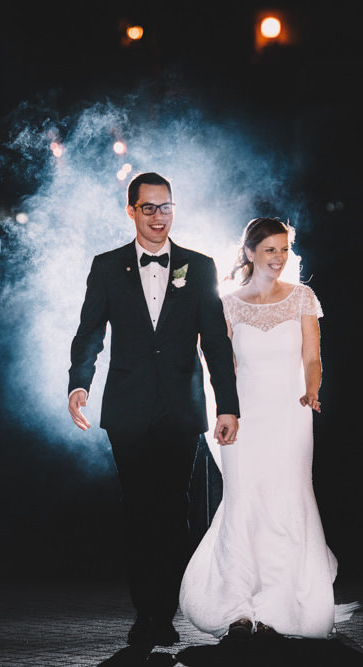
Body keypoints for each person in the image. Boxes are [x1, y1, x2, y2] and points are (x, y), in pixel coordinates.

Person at [67, 172, 240, 647]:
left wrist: (228, 405)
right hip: (127, 408)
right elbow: (89, 334)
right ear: (131, 211)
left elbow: (217, 344)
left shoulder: (199, 266)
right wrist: (79, 383)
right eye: (150, 208)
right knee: (139, 510)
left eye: (166, 207)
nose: (160, 216)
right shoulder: (107, 266)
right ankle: (148, 612)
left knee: (174, 510)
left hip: (182, 408)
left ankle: (162, 610)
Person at [179, 217, 355, 641]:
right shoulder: (228, 303)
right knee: (243, 503)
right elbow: (219, 364)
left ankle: (282, 601)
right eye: (270, 249)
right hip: (243, 416)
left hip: (290, 414)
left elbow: (312, 357)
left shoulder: (302, 298)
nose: (279, 258)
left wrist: (312, 390)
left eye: (284, 249)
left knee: (286, 499)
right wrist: (225, 409)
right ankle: (239, 606)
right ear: (250, 252)